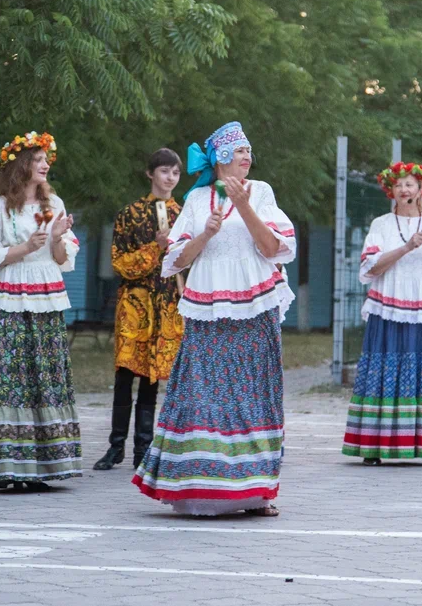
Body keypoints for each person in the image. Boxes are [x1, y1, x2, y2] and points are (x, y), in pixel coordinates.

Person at [132, 122, 296, 517]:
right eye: (240, 150)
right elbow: (175, 262)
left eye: (249, 150)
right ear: (222, 157)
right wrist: (204, 234)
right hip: (207, 308)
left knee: (254, 395)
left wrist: (243, 206)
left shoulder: (262, 192)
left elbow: (275, 247)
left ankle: (255, 492)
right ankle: (199, 488)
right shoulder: (197, 199)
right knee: (202, 393)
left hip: (256, 306)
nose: (247, 156)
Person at [0, 131, 82, 493]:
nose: (46, 164)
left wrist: (58, 237)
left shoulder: (55, 203)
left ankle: (39, 467)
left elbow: (62, 260)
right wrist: (26, 246)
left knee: (42, 376)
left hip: (45, 298)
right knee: (4, 377)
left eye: (47, 159)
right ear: (20, 165)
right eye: (38, 159)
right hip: (8, 297)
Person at [343, 162, 422, 466]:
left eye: (410, 184)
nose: (404, 190)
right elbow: (371, 269)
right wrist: (407, 247)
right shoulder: (381, 225)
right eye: (398, 185)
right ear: (391, 192)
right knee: (383, 370)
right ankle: (374, 445)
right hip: (388, 306)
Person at [94, 148, 184, 471]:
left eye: (174, 173)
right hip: (134, 306)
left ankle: (143, 450)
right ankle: (115, 446)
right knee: (124, 375)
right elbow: (120, 262)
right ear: (150, 174)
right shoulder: (130, 214)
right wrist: (154, 248)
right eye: (164, 171)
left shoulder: (184, 215)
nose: (169, 178)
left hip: (167, 307)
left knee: (152, 377)